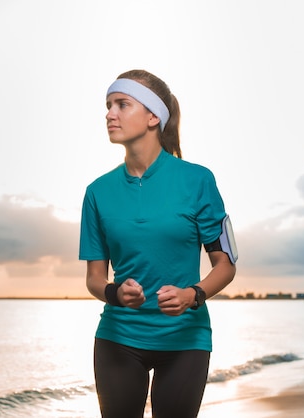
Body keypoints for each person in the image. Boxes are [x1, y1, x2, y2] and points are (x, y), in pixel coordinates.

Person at [79, 69, 237, 418]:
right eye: (108, 105)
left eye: (122, 104)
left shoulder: (198, 180)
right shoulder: (97, 192)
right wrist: (114, 293)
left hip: (185, 339)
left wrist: (191, 295)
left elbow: (225, 265)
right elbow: (93, 278)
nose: (109, 114)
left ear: (153, 116)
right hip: (118, 338)